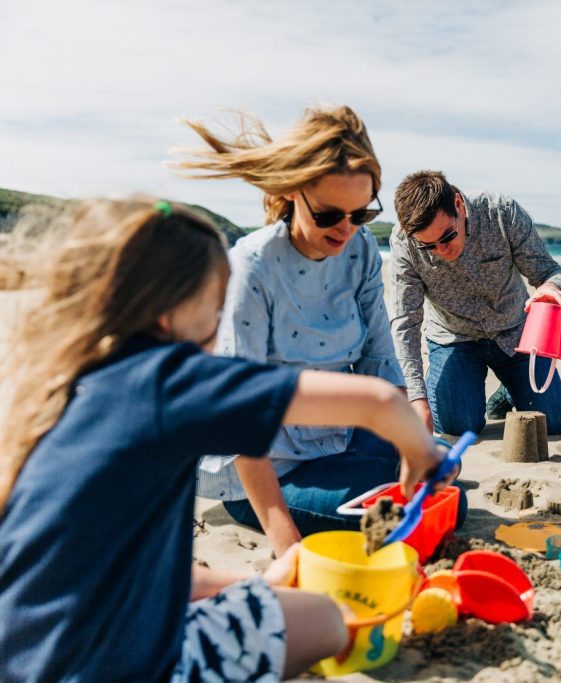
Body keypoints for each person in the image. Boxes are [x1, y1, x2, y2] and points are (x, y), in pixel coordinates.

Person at [0, 199, 447, 681]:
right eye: (216, 309)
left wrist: (252, 582)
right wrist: (420, 450)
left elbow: (122, 577)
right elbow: (377, 403)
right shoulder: (167, 380)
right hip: (120, 666)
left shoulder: (55, 390)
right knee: (327, 620)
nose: (218, 330)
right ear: (171, 312)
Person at [173, 106, 466, 557]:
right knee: (401, 519)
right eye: (330, 215)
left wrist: (411, 441)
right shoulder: (253, 268)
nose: (346, 229)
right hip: (265, 467)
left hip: (338, 437)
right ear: (293, 193)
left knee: (440, 473)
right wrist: (283, 536)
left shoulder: (360, 250)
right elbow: (241, 418)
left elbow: (378, 358)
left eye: (361, 213)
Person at [389, 170, 561, 437]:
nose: (442, 251)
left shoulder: (501, 212)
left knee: (553, 424)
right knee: (455, 426)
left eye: (447, 237)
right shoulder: (403, 243)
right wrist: (415, 397)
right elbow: (405, 323)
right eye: (428, 247)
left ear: (458, 205)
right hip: (453, 337)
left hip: (515, 332)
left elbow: (549, 272)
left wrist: (553, 288)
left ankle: (509, 391)